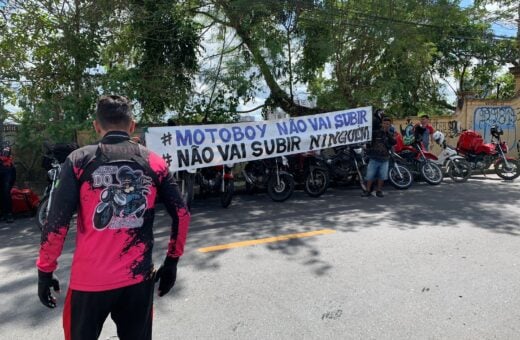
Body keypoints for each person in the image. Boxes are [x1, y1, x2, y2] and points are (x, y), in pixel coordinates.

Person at [36, 95, 190, 340]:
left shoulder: (79, 160)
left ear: (96, 126)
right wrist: (172, 262)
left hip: (89, 283)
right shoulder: (154, 161)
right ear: (132, 125)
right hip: (137, 281)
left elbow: (56, 222)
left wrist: (45, 271)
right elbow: (182, 215)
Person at [362, 116, 396, 198]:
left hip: (385, 159)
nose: (386, 125)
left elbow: (394, 142)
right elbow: (368, 139)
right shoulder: (376, 132)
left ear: (390, 125)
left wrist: (388, 133)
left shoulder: (390, 134)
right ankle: (367, 191)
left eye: (388, 124)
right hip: (374, 158)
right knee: (370, 176)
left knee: (382, 176)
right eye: (384, 123)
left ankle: (379, 191)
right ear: (382, 124)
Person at [0, 142, 16, 223]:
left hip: (7, 171)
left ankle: (8, 214)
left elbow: (13, 177)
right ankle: (3, 213)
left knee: (6, 192)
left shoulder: (10, 163)